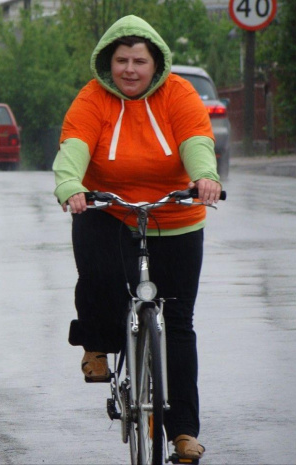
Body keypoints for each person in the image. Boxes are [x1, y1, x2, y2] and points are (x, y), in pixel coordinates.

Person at [52, 15, 222, 460]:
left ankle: (183, 432)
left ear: (156, 63)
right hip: (107, 207)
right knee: (100, 274)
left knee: (179, 324)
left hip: (176, 213)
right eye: (121, 60)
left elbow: (197, 140)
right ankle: (96, 341)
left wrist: (205, 176)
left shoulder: (179, 94)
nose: (129, 69)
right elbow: (74, 146)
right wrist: (71, 185)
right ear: (109, 63)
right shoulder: (93, 98)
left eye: (139, 61)